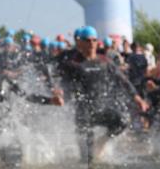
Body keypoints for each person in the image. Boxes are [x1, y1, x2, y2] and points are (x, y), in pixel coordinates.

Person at [57, 25, 149, 161]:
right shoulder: (73, 64)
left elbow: (123, 81)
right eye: (87, 40)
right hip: (83, 114)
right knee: (87, 160)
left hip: (101, 109)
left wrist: (137, 98)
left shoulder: (105, 61)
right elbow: (63, 83)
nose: (91, 44)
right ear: (80, 42)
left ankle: (102, 142)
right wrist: (59, 92)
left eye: (94, 40)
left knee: (122, 122)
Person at [0, 45, 64, 161]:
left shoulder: (3, 80)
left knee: (14, 161)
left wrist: (50, 100)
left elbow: (25, 96)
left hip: (4, 125)